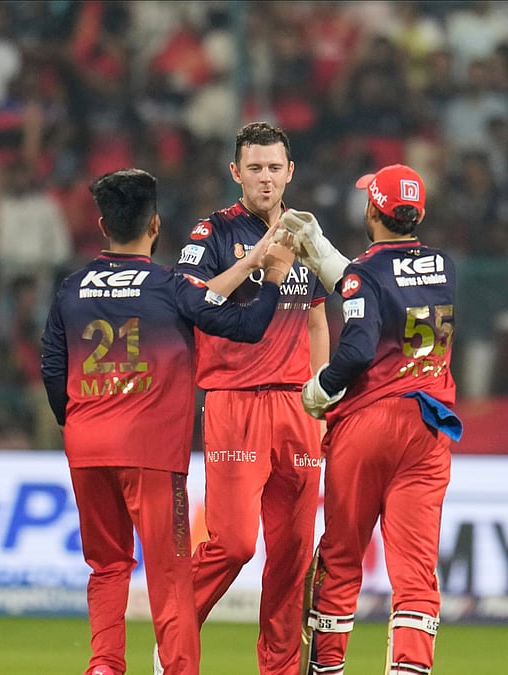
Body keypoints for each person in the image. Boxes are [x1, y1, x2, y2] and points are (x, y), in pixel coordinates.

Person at [40, 169, 297, 675]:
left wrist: (76, 424)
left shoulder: (71, 289)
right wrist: (273, 277)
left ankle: (105, 666)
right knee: (171, 575)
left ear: (101, 224)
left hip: (87, 449)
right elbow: (244, 327)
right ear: (155, 226)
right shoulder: (169, 287)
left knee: (107, 566)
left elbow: (52, 365)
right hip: (152, 454)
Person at [172, 122, 330, 675]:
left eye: (275, 167)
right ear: (236, 173)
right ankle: (174, 641)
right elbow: (188, 299)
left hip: (297, 407)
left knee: (291, 558)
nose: (266, 178)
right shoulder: (211, 232)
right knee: (234, 543)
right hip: (235, 401)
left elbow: (315, 319)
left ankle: (281, 669)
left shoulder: (306, 234)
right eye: (255, 168)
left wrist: (323, 396)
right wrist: (252, 264)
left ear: (291, 171)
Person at [288, 165, 458, 675]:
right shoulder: (444, 266)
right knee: (415, 572)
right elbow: (379, 283)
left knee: (341, 558)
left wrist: (321, 387)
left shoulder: (366, 272)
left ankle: (328, 667)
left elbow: (359, 344)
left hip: (369, 423)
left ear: (371, 210)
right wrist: (327, 256)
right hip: (429, 427)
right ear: (419, 214)